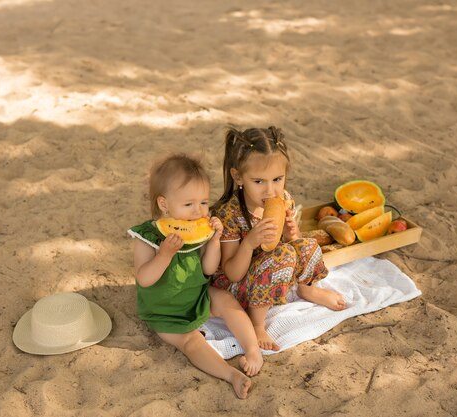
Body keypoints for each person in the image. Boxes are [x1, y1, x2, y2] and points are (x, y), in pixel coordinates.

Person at [129, 154, 263, 399]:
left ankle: (253, 350)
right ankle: (230, 375)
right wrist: (164, 255)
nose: (198, 211)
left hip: (197, 295)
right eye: (189, 204)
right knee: (191, 343)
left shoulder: (200, 229)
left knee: (225, 300)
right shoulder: (147, 237)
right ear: (164, 204)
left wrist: (214, 242)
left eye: (203, 202)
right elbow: (144, 278)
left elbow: (208, 270)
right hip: (165, 312)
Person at [211, 126, 347, 352]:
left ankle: (307, 289)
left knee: (307, 245)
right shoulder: (230, 214)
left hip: (269, 273)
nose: (270, 190)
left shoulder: (283, 200)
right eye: (259, 181)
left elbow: (290, 248)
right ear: (238, 177)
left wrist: (291, 236)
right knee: (283, 254)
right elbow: (231, 273)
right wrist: (249, 242)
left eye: (277, 179)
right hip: (237, 287)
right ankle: (256, 323)